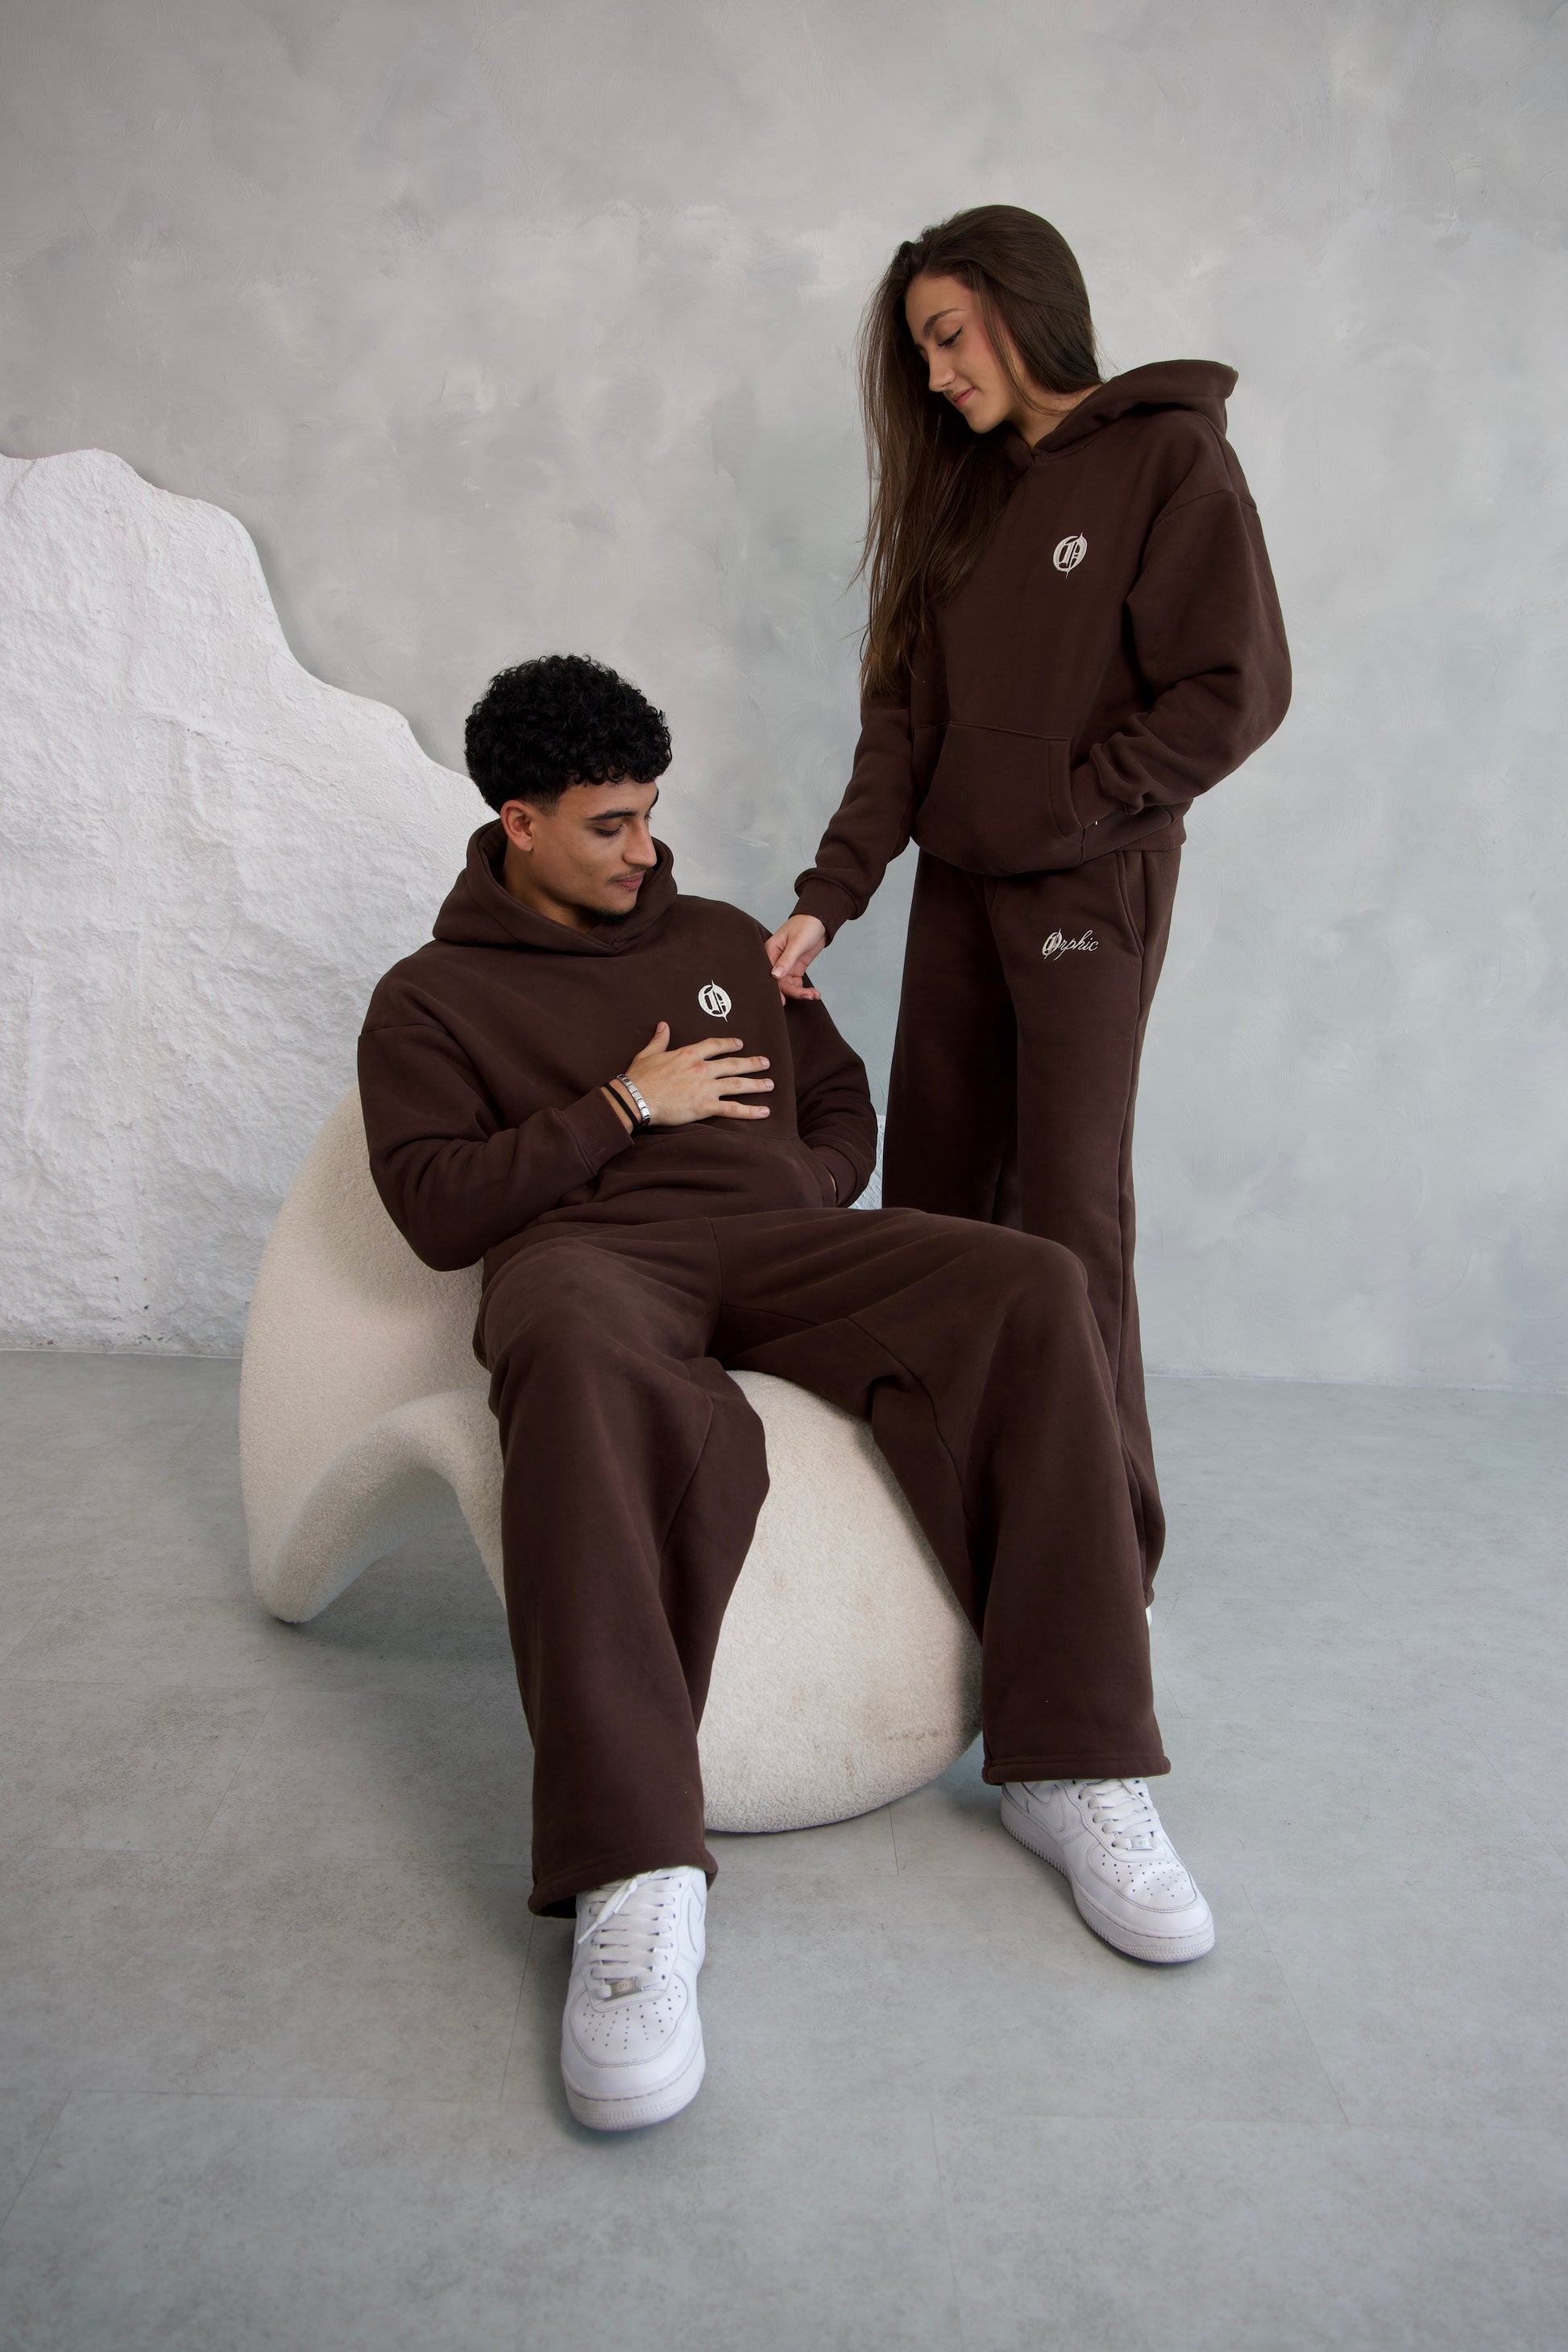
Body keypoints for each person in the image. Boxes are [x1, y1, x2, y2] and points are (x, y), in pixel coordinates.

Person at [359, 653, 1213, 2138]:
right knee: (566, 1351)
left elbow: (836, 1098)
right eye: (609, 825)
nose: (645, 850)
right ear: (517, 822)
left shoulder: (713, 937)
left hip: (783, 1243)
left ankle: (1073, 1761)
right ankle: (632, 1870)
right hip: (592, 1261)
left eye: (649, 816)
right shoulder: (429, 1000)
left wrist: (801, 1185)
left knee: (1029, 1283)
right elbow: (438, 1211)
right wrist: (625, 1107)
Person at [767, 205, 1291, 1595]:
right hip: (955, 891)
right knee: (937, 1201)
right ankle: (940, 1522)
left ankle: (1104, 1560)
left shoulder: (1169, 458)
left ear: (1023, 305)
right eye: (919, 355)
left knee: (1065, 1219)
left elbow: (1233, 690)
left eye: (948, 337)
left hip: (1089, 888)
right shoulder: (957, 499)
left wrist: (1070, 805)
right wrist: (828, 898)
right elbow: (899, 734)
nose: (937, 377)